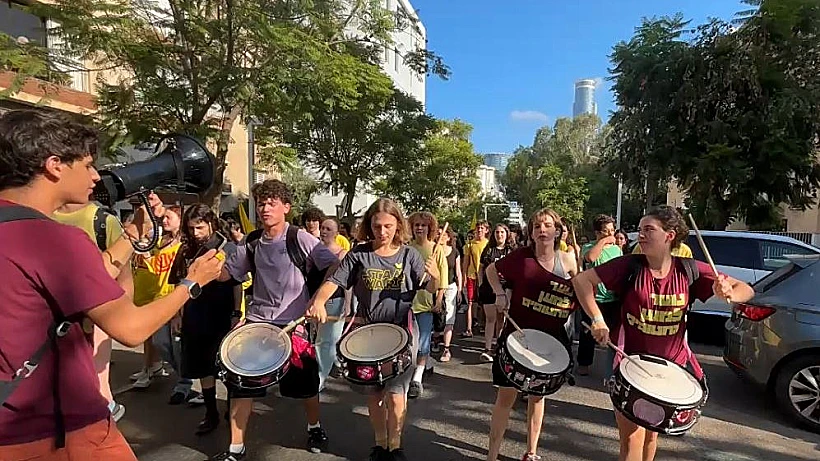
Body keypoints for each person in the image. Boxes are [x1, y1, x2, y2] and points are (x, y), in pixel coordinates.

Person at [0, 110, 224, 461]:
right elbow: (130, 328)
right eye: (87, 164)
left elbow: (102, 284)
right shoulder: (57, 240)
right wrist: (192, 283)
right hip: (62, 429)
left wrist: (133, 236)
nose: (95, 176)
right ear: (55, 165)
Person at [572, 206, 754, 461]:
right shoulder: (629, 265)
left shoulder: (688, 269)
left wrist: (729, 292)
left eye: (649, 229)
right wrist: (598, 320)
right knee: (632, 438)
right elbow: (582, 281)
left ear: (669, 235)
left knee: (651, 435)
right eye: (641, 229)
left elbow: (746, 289)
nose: (641, 235)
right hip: (631, 365)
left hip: (671, 369)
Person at [306, 198, 441, 461]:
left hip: (401, 331)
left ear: (398, 226)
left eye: (388, 226)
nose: (382, 232)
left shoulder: (409, 254)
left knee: (395, 394)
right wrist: (320, 301)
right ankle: (379, 445)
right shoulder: (359, 254)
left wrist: (435, 276)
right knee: (375, 393)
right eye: (377, 226)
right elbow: (334, 281)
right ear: (369, 225)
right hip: (368, 332)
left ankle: (395, 446)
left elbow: (429, 290)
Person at [214, 179, 340, 460]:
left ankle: (314, 427)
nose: (265, 207)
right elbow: (228, 275)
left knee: (305, 386)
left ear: (286, 207)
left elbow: (335, 263)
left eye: (272, 202)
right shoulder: (251, 241)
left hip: (292, 325)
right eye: (261, 203)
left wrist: (318, 298)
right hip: (257, 323)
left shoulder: (300, 238)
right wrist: (207, 268)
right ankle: (235, 449)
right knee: (240, 384)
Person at [484, 208, 579, 461]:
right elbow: (491, 271)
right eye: (537, 226)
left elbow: (580, 290)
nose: (542, 230)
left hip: (551, 338)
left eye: (547, 225)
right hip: (518, 336)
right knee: (505, 397)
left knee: (538, 398)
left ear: (557, 231)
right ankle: (492, 455)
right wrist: (500, 293)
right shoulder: (520, 257)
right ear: (531, 232)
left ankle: (531, 452)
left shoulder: (568, 260)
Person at [53, 202, 134, 421]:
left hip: (98, 318)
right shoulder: (39, 216)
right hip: (51, 323)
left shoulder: (103, 221)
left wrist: (122, 316)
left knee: (97, 387)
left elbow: (124, 277)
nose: (94, 177)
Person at [169, 204, 243, 435]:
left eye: (199, 227)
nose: (195, 233)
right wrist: (176, 315)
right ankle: (211, 412)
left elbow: (237, 283)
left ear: (211, 223)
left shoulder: (228, 248)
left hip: (222, 314)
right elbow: (176, 285)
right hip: (194, 315)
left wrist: (236, 314)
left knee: (229, 366)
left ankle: (233, 412)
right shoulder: (184, 251)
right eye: (191, 228)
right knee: (203, 367)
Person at [407, 212, 448, 399]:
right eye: (416, 225)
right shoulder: (406, 248)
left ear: (430, 228)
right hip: (407, 303)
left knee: (423, 343)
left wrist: (438, 301)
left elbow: (443, 280)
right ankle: (408, 372)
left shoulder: (436, 249)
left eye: (423, 225)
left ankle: (417, 378)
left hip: (426, 305)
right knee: (407, 342)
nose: (419, 228)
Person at [576, 214, 622, 376]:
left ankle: (613, 367)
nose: (610, 234)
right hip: (593, 299)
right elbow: (591, 258)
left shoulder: (617, 250)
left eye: (612, 230)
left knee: (613, 334)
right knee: (588, 333)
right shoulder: (589, 247)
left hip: (612, 299)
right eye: (605, 231)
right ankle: (584, 363)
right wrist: (603, 242)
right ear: (597, 232)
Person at [315, 217, 352, 391]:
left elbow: (347, 281)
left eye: (329, 229)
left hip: (334, 300)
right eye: (322, 228)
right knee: (322, 338)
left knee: (325, 340)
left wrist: (349, 303)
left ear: (337, 233)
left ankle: (320, 377)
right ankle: (334, 360)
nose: (324, 231)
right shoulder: (314, 250)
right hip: (313, 301)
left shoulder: (343, 253)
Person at [477, 223, 513, 362]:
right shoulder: (488, 250)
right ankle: (487, 348)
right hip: (488, 289)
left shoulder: (510, 251)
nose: (499, 235)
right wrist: (480, 284)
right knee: (490, 319)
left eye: (502, 232)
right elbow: (481, 269)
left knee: (501, 320)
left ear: (507, 234)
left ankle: (498, 346)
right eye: (497, 232)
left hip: (505, 290)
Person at [462, 221, 489, 338]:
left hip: (486, 276)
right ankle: (469, 328)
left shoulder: (488, 244)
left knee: (485, 303)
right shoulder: (470, 245)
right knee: (470, 302)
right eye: (478, 228)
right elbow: (465, 263)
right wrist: (463, 277)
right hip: (472, 276)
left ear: (486, 230)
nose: (479, 230)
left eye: (482, 228)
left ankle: (484, 324)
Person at [439, 227, 462, 363]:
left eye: (443, 234)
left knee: (449, 318)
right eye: (438, 234)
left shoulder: (455, 252)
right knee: (436, 317)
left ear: (448, 237)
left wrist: (459, 290)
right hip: (436, 287)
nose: (440, 236)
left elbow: (458, 272)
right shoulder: (434, 250)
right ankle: (436, 339)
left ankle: (446, 348)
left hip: (451, 286)